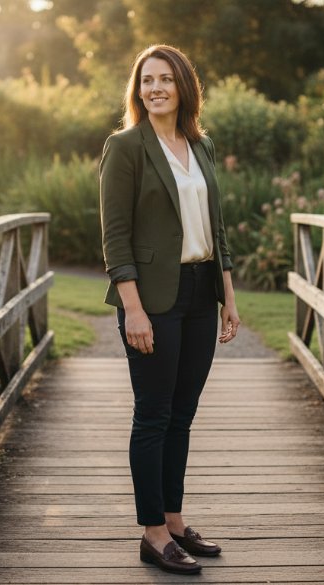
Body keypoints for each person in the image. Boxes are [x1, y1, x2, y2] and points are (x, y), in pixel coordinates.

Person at [99, 44, 241, 575]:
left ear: (183, 86)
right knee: (153, 415)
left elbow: (217, 229)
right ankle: (153, 533)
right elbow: (115, 237)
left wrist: (228, 294)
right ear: (138, 90)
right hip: (152, 300)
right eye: (146, 80)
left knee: (182, 415)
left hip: (202, 293)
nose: (154, 88)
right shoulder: (126, 146)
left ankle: (175, 520)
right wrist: (133, 310)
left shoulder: (198, 145)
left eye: (165, 79)